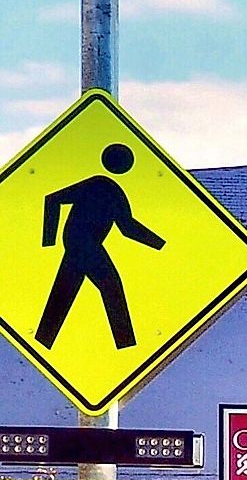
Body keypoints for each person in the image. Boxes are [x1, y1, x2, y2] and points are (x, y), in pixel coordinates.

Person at [37, 144, 164, 350]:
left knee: (64, 291)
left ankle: (43, 340)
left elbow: (127, 227)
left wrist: (160, 245)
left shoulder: (114, 192)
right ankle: (126, 344)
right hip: (82, 242)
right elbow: (53, 199)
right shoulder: (99, 184)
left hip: (82, 244)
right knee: (111, 286)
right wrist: (47, 241)